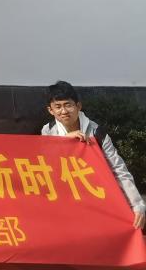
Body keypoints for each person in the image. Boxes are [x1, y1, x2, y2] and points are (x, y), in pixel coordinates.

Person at [42, 81, 146, 229]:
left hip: (95, 194)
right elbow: (45, 164)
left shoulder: (97, 133)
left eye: (68, 105)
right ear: (50, 110)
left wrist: (137, 204)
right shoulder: (48, 131)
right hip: (64, 195)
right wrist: (64, 140)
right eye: (58, 107)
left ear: (78, 106)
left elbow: (118, 169)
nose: (64, 111)